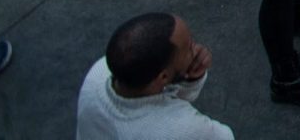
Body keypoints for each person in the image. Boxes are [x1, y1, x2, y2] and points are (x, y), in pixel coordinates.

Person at [74, 12, 230, 140]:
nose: (196, 48)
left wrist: (191, 79)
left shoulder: (99, 73)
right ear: (163, 77)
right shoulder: (182, 129)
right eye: (189, 47)